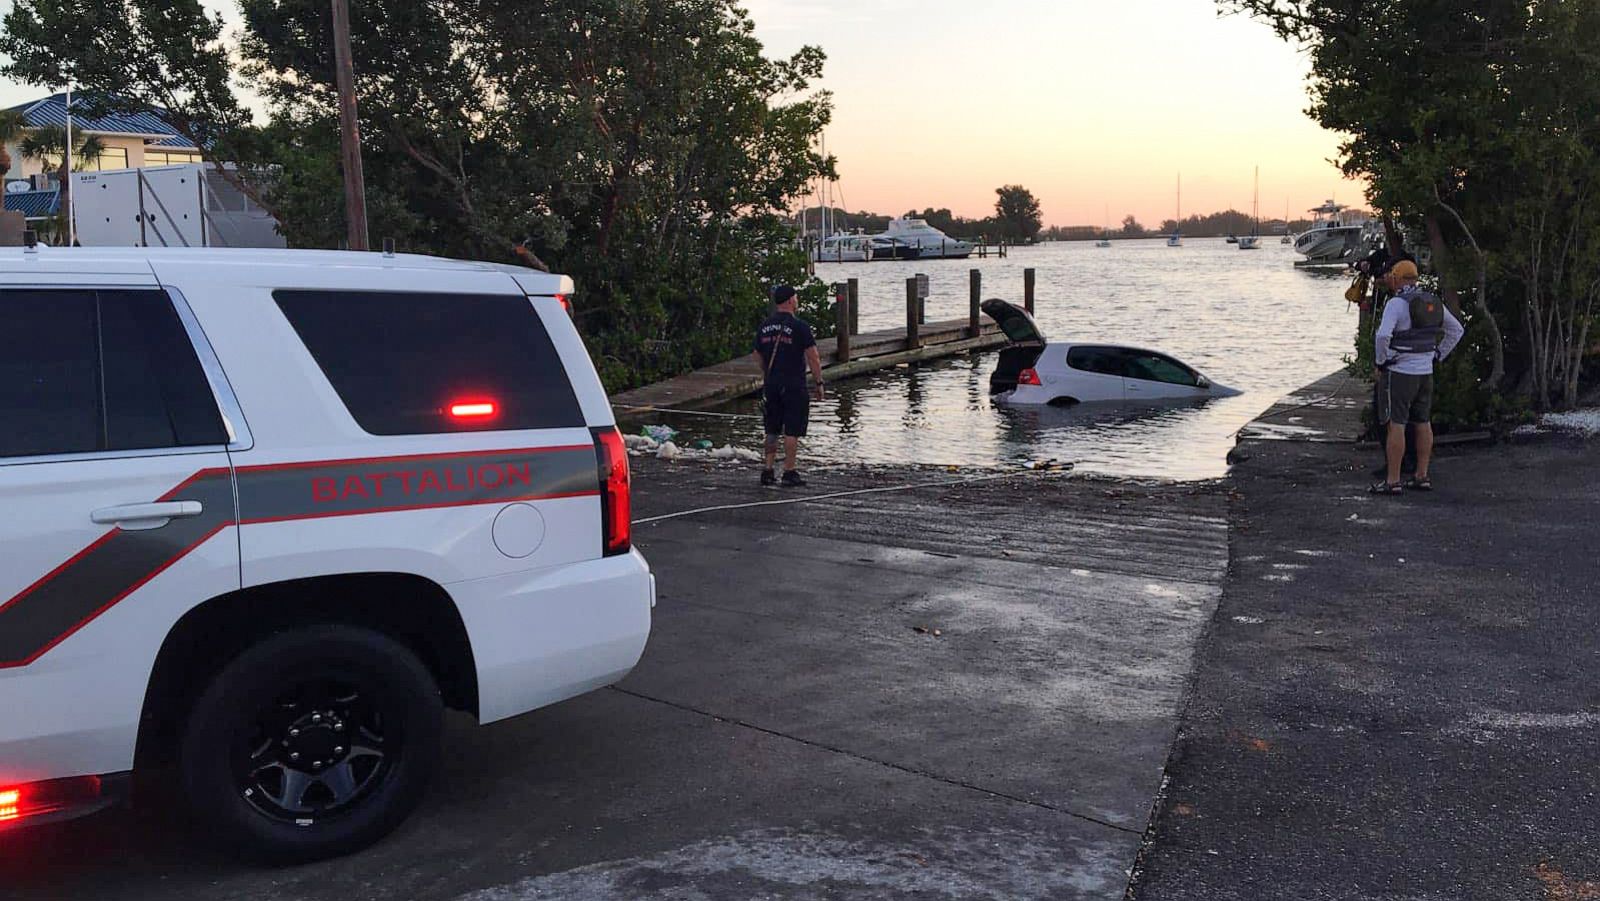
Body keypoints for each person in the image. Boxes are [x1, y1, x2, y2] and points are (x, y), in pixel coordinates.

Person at [1370, 260, 1464, 494]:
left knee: (1397, 424)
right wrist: (1438, 354)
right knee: (1423, 422)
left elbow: (1382, 336)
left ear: (1397, 279)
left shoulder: (1396, 304)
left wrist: (1381, 362)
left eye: (1392, 276)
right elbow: (1456, 330)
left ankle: (1393, 480)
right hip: (1426, 372)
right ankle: (1421, 475)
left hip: (1401, 373)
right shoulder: (1432, 301)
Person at [752, 285, 825, 487]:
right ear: (791, 301)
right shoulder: (800, 326)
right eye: (796, 298)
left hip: (772, 382)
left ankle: (767, 470)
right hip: (794, 383)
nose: (797, 301)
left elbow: (757, 353)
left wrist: (767, 370)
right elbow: (813, 357)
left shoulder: (765, 325)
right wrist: (819, 382)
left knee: (772, 428)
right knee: (792, 429)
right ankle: (789, 471)